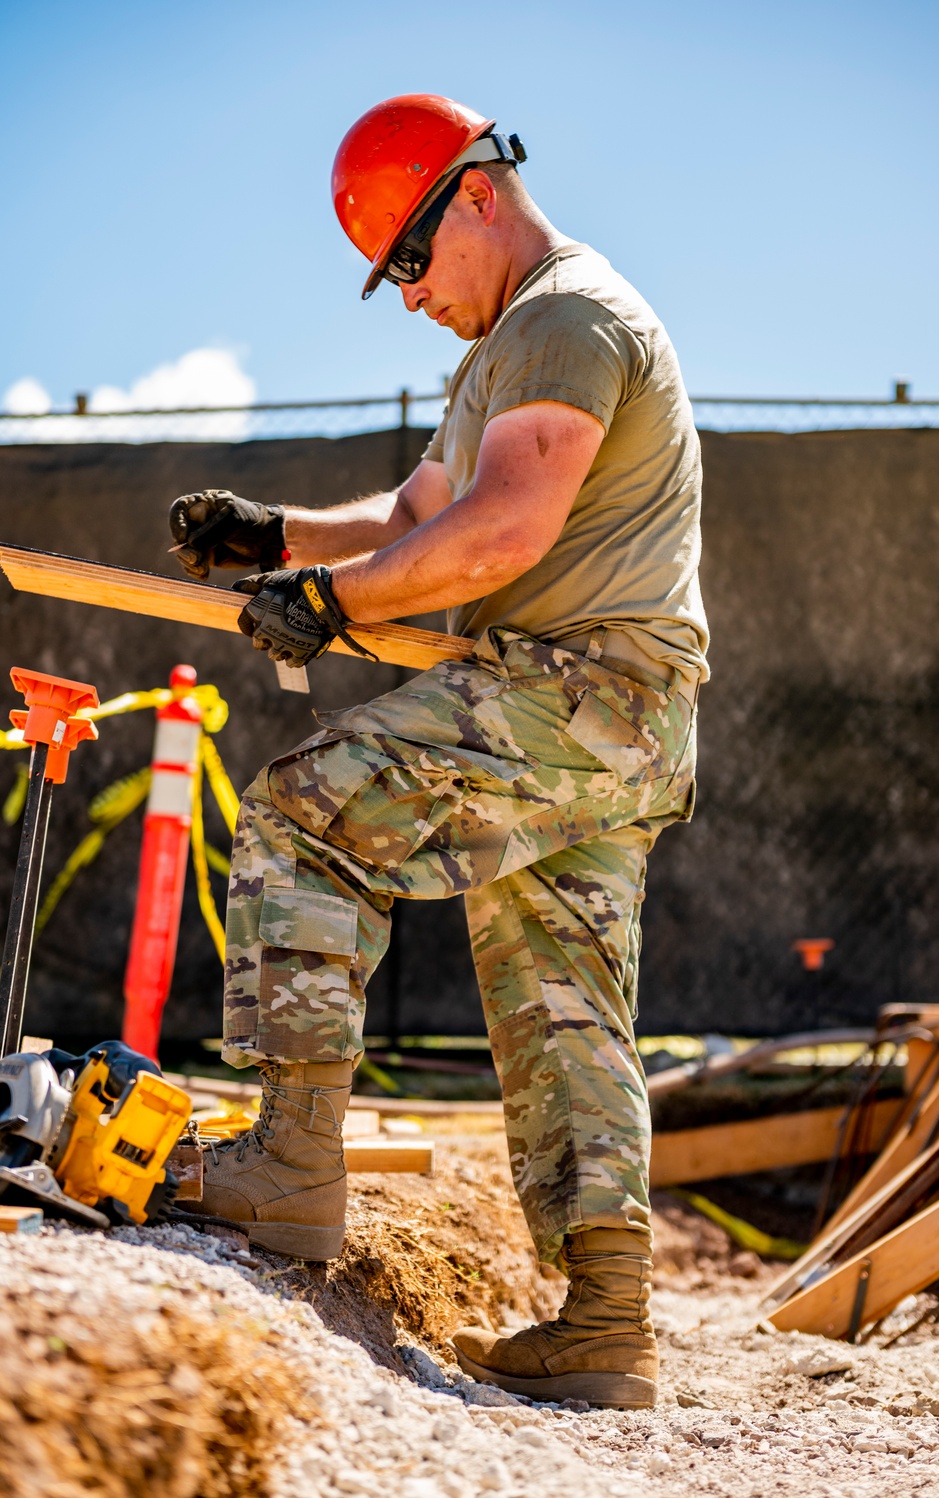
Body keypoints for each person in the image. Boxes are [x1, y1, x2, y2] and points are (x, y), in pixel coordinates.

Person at [169, 93, 709, 1410]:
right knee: (557, 992)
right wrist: (280, 539)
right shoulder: (499, 354)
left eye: (410, 259)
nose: (407, 296)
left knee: (300, 814)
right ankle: (608, 1323)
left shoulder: (569, 319)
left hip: (581, 687)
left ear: (475, 193)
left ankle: (293, 1162)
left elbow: (505, 531)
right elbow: (418, 514)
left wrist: (339, 606)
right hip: (611, 717)